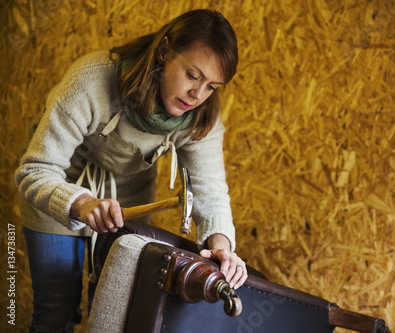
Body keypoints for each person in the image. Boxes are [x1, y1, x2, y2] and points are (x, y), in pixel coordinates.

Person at [15, 9, 247, 333]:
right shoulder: (93, 79)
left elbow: (210, 191)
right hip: (59, 185)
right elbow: (34, 170)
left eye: (212, 86)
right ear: (164, 52)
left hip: (128, 200)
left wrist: (221, 246)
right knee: (56, 313)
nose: (197, 95)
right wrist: (82, 204)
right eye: (193, 75)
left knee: (110, 313)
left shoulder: (200, 116)